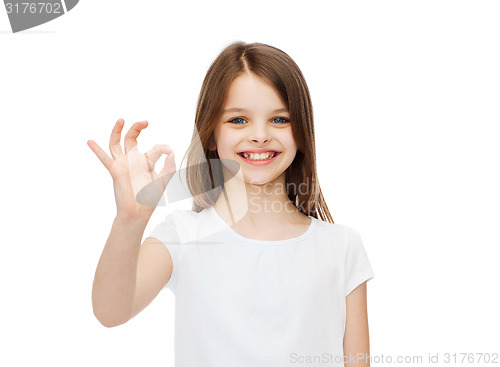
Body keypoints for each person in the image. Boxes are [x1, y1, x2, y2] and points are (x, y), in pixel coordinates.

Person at [88, 41, 375, 367]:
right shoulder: (183, 236)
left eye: (280, 119)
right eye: (238, 120)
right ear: (210, 134)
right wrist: (130, 219)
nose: (260, 135)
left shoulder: (342, 246)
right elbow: (110, 312)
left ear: (301, 132)